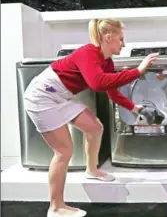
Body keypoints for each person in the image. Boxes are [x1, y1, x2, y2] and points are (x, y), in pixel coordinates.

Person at [23, 18, 159, 217]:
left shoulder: (107, 62)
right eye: (121, 39)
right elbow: (97, 83)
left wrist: (133, 107)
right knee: (64, 151)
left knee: (95, 127)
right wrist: (137, 71)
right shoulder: (88, 52)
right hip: (41, 97)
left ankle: (92, 170)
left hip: (60, 96)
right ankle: (56, 207)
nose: (124, 44)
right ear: (108, 37)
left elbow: (111, 90)